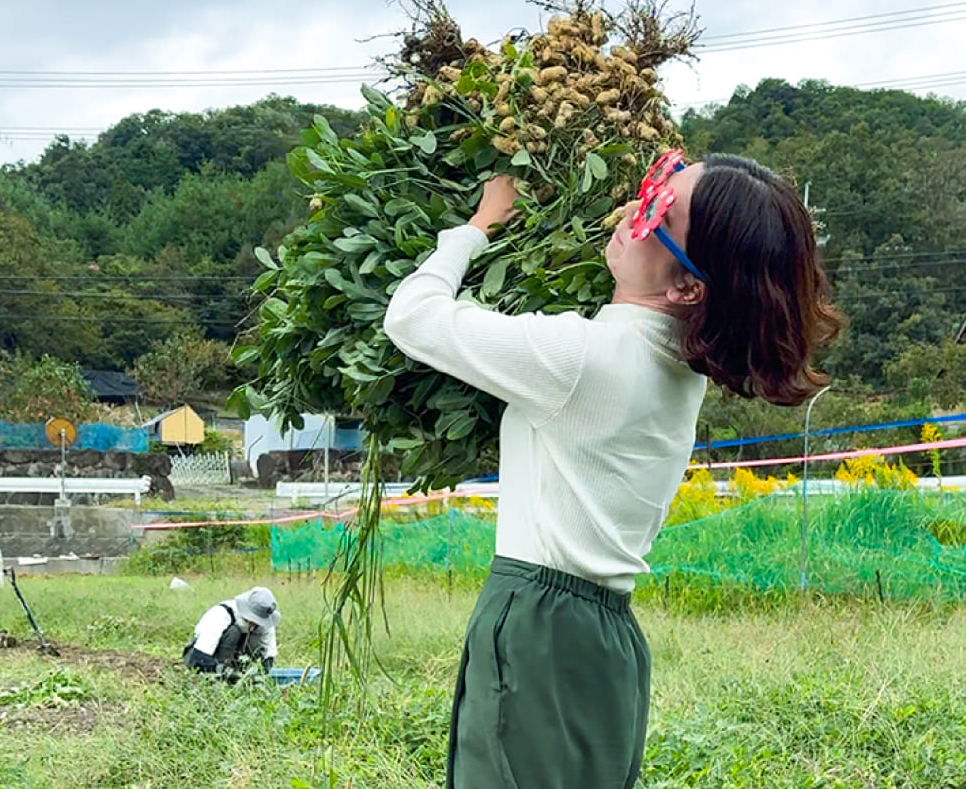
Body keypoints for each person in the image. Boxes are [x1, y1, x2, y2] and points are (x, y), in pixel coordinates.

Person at [383, 150, 841, 789]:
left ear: (688, 288)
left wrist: (478, 227)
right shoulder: (679, 371)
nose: (632, 211)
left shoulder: (583, 358)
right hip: (607, 642)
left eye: (659, 214)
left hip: (537, 630)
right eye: (653, 188)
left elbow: (411, 318)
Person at [182, 586, 281, 677]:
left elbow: (268, 653)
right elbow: (199, 657)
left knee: (256, 639)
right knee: (234, 632)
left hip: (238, 660)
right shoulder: (221, 614)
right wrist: (224, 671)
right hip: (205, 659)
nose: (256, 623)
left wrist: (264, 674)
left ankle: (240, 671)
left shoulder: (265, 620)